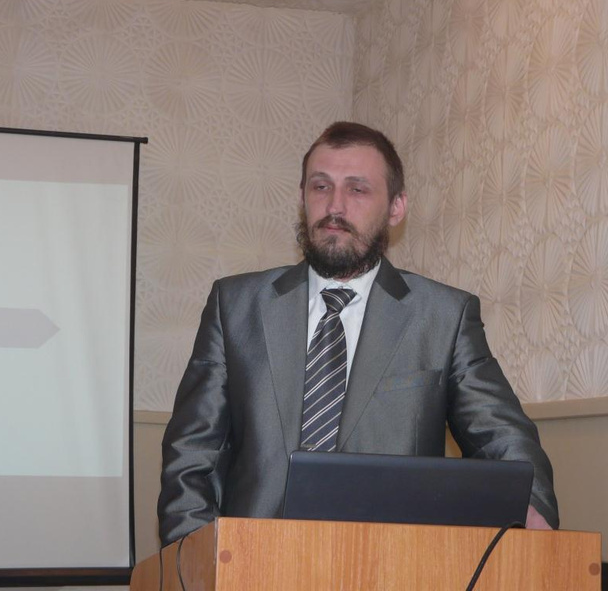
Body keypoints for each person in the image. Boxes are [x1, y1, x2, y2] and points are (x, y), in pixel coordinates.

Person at [157, 121, 558, 546]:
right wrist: (195, 558)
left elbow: (503, 440)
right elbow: (192, 455)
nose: (335, 206)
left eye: (357, 189)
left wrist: (528, 519)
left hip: (393, 563)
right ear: (302, 197)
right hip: (251, 562)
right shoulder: (236, 306)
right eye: (321, 187)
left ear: (396, 208)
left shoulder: (443, 317)